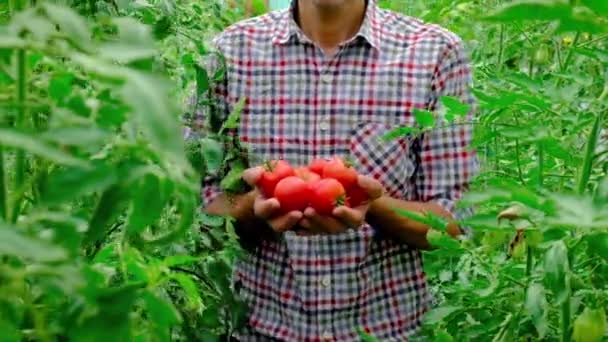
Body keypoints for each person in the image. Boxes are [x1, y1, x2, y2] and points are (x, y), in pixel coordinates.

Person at [188, 0, 479, 340]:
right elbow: (197, 208)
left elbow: (455, 223)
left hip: (386, 331)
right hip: (257, 330)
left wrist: (372, 205)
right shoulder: (232, 52)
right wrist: (251, 208)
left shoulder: (435, 53)